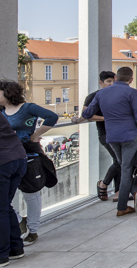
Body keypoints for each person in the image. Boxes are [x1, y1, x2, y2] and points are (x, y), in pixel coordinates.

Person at [82, 66, 137, 217]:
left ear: (115, 78)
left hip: (112, 137)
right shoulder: (133, 92)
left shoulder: (101, 93)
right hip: (130, 136)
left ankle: (134, 191)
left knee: (123, 166)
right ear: (131, 80)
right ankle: (123, 205)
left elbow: (87, 113)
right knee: (126, 169)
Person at [0, 80, 58, 246]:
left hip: (28, 154)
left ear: (7, 92)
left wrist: (36, 134)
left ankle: (33, 230)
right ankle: (19, 219)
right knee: (6, 196)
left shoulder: (27, 108)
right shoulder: (2, 111)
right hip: (7, 156)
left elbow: (52, 116)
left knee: (30, 193)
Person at [78, 71, 120, 202]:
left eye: (113, 81)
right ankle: (105, 184)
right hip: (105, 133)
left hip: (120, 132)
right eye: (108, 81)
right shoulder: (93, 96)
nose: (111, 84)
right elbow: (86, 114)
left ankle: (118, 191)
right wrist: (107, 118)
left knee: (119, 161)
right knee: (119, 161)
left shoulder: (118, 94)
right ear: (101, 83)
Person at [0, 110, 27, 264]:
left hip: (3, 162)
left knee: (1, 208)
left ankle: (2, 255)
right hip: (18, 159)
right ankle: (15, 248)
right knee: (4, 206)